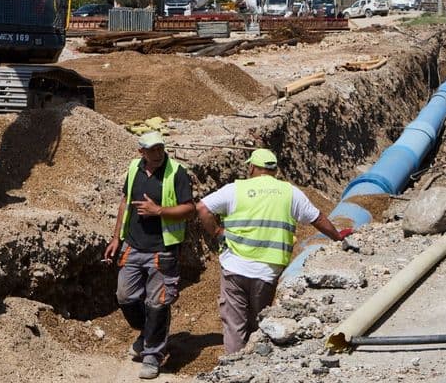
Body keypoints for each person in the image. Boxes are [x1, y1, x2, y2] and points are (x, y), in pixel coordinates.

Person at [196, 148, 345, 355]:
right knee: (259, 322)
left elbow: (202, 208)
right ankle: (256, 360)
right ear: (274, 171)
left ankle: (233, 365)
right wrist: (338, 237)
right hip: (267, 271)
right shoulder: (290, 192)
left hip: (234, 267)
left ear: (252, 167)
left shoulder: (235, 189)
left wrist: (217, 232)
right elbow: (317, 218)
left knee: (234, 324)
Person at [104, 131, 195, 380]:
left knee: (157, 304)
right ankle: (148, 331)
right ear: (141, 152)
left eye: (160, 148)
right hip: (133, 246)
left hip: (162, 249)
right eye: (152, 150)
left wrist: (159, 211)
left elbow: (190, 209)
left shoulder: (176, 172)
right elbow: (125, 201)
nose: (157, 154)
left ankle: (152, 355)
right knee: (125, 296)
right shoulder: (134, 168)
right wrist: (116, 238)